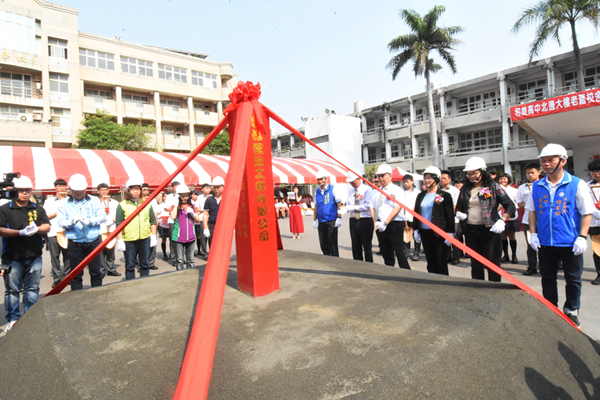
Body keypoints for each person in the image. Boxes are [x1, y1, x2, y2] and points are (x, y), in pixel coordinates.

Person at [526, 144, 595, 327]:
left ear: (563, 161)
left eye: (551, 160)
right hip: (545, 242)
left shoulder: (576, 184)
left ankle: (571, 310)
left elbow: (586, 212)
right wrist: (533, 234)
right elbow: (532, 211)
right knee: (547, 277)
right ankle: (550, 308)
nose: (546, 164)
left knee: (573, 279)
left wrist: (582, 236)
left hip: (570, 242)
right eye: (544, 161)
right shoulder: (537, 186)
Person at [0, 176, 50, 332]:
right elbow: (1, 230)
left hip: (34, 254)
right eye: (21, 191)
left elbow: (47, 226)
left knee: (32, 288)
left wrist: (37, 229)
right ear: (16, 191)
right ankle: (13, 318)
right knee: (12, 289)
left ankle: (30, 317)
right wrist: (19, 232)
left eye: (27, 190)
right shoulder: (5, 209)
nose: (24, 193)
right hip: (12, 256)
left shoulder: (37, 208)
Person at [455, 157, 515, 282]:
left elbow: (510, 206)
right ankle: (478, 288)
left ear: (482, 172)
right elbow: (459, 207)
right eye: (469, 173)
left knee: (492, 263)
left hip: (490, 229)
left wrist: (502, 220)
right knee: (476, 264)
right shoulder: (465, 189)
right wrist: (459, 214)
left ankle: (494, 288)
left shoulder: (494, 186)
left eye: (474, 173)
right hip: (471, 230)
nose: (471, 176)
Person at [57, 174, 106, 290]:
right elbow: (60, 221)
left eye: (80, 190)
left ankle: (97, 295)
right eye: (75, 191)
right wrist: (71, 222)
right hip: (75, 242)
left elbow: (102, 217)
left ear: (85, 189)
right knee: (75, 274)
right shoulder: (64, 203)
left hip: (93, 240)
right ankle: (77, 298)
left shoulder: (94, 201)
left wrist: (90, 221)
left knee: (96, 272)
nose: (78, 193)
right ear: (70, 189)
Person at [413, 166, 454, 275]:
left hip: (439, 233)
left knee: (440, 261)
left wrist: (450, 232)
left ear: (436, 179)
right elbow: (416, 212)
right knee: (430, 261)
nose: (426, 180)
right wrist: (416, 229)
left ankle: (444, 283)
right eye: (425, 178)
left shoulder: (444, 195)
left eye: (430, 178)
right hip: (425, 232)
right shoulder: (420, 195)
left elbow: (449, 215)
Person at [115, 180, 157, 280]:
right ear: (128, 190)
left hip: (144, 238)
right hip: (129, 239)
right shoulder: (122, 205)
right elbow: (119, 224)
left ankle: (144, 284)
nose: (135, 191)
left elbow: (153, 220)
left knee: (145, 264)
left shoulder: (147, 203)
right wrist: (120, 240)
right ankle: (131, 285)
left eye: (137, 189)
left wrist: (154, 235)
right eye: (133, 189)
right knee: (130, 265)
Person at [372, 164, 410, 269]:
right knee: (385, 251)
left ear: (390, 176)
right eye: (378, 176)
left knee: (399, 251)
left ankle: (407, 273)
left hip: (394, 224)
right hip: (380, 224)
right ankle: (390, 270)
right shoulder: (377, 191)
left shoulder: (397, 190)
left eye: (383, 175)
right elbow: (372, 207)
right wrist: (376, 221)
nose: (380, 178)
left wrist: (386, 222)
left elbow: (397, 208)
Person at [43, 178, 71, 287]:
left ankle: (67, 276)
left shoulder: (70, 200)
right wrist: (56, 212)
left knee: (68, 255)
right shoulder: (49, 201)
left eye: (63, 186)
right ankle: (57, 278)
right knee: (54, 257)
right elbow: (44, 216)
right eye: (59, 186)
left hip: (67, 232)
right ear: (55, 187)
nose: (62, 188)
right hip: (53, 232)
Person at [516, 163, 542, 275]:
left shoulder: (544, 185)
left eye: (532, 173)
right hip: (528, 220)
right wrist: (529, 205)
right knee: (531, 245)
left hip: (543, 220)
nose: (530, 175)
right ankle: (532, 267)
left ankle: (547, 266)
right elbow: (519, 202)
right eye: (528, 173)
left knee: (545, 245)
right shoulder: (522, 188)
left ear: (538, 172)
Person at [343, 171, 374, 262]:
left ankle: (369, 266)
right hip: (353, 219)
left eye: (353, 181)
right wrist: (345, 209)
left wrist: (352, 207)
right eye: (350, 182)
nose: (352, 184)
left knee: (367, 246)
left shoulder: (367, 189)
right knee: (355, 245)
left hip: (365, 220)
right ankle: (357, 266)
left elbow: (367, 206)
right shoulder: (350, 191)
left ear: (359, 178)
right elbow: (349, 204)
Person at [170, 185, 202, 270]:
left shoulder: (192, 206)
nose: (185, 198)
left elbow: (198, 220)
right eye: (182, 196)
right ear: (179, 196)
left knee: (191, 260)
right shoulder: (175, 207)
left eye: (186, 196)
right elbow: (173, 217)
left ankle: (190, 277)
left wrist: (194, 214)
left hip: (191, 237)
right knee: (179, 260)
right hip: (178, 237)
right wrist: (176, 205)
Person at [312, 169, 343, 257]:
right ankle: (327, 260)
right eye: (318, 179)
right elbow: (316, 206)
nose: (319, 181)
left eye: (321, 179)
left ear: (326, 179)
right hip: (321, 221)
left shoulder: (333, 189)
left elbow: (339, 204)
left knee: (332, 243)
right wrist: (314, 220)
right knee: (323, 244)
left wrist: (339, 217)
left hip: (331, 220)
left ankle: (335, 261)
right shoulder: (317, 191)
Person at [97, 183, 120, 277]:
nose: (104, 192)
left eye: (106, 190)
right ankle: (102, 270)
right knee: (101, 251)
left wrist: (116, 218)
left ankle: (111, 268)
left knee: (110, 249)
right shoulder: (96, 202)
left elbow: (118, 214)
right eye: (102, 190)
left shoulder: (114, 202)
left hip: (111, 228)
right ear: (98, 191)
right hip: (100, 229)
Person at [498, 173, 520, 264]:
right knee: (503, 236)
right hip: (500, 214)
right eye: (501, 179)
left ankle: (514, 255)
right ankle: (505, 255)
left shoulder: (514, 190)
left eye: (505, 179)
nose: (503, 180)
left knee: (512, 236)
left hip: (511, 215)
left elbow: (518, 202)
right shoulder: (496, 189)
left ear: (508, 180)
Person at [440, 170, 461, 265]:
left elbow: (455, 205)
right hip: (441, 219)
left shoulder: (454, 191)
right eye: (441, 178)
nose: (442, 180)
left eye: (444, 178)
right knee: (444, 239)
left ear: (449, 179)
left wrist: (450, 217)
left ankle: (456, 256)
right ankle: (447, 255)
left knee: (454, 238)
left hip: (452, 218)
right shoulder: (438, 190)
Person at [203, 176, 224, 261]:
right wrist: (205, 228)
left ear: (223, 186)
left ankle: (222, 261)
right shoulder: (209, 200)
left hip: (223, 225)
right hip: (212, 225)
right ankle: (214, 261)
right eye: (214, 187)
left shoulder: (227, 198)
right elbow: (205, 214)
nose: (216, 189)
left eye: (218, 187)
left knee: (223, 245)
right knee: (212, 245)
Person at [402, 174, 421, 261]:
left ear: (412, 182)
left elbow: (415, 205)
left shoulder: (417, 192)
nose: (406, 184)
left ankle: (416, 252)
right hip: (404, 217)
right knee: (405, 234)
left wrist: (409, 214)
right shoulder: (402, 192)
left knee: (416, 235)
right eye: (404, 182)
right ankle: (406, 251)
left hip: (413, 217)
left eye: (407, 182)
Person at [587, 159, 600, 285]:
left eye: (598, 171)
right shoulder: (587, 186)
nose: (595, 173)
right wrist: (596, 212)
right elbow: (585, 204)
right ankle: (599, 274)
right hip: (594, 222)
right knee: (597, 249)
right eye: (593, 171)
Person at [141, 183, 158, 270]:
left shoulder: (152, 200)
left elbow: (155, 212)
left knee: (152, 244)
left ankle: (151, 263)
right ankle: (142, 263)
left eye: (148, 190)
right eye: (144, 190)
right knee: (142, 246)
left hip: (151, 225)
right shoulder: (138, 200)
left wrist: (153, 223)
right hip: (141, 225)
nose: (146, 192)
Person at [164, 181, 180, 263]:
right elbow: (166, 208)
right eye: (175, 186)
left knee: (181, 239)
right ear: (172, 187)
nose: (177, 188)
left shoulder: (182, 195)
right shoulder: (169, 197)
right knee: (173, 239)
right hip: (172, 220)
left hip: (181, 220)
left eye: (178, 186)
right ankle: (173, 258)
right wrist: (174, 209)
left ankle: (180, 257)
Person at [152, 192, 170, 261]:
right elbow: (157, 215)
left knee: (171, 240)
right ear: (162, 198)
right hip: (163, 224)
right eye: (165, 197)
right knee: (164, 240)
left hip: (170, 224)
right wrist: (160, 217)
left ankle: (172, 254)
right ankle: (164, 254)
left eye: (167, 197)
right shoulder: (160, 206)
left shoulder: (171, 205)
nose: (166, 198)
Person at [195, 184, 211, 257]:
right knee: (203, 236)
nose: (208, 189)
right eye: (206, 188)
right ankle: (204, 252)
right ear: (202, 189)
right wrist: (205, 211)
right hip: (202, 218)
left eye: (209, 188)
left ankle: (211, 251)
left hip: (210, 218)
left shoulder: (212, 197)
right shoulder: (199, 198)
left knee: (211, 235)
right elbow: (197, 208)